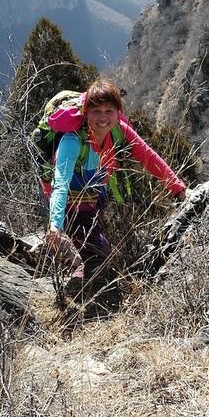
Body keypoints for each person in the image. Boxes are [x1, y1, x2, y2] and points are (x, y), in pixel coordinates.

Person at [45, 79, 186, 281]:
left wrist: (177, 188)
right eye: (96, 111)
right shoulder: (72, 141)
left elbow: (148, 157)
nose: (103, 118)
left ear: (118, 112)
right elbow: (60, 184)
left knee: (95, 240)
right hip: (68, 200)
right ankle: (82, 278)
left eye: (109, 111)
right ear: (85, 113)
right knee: (96, 252)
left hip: (96, 192)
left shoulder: (120, 130)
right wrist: (55, 225)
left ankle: (85, 265)